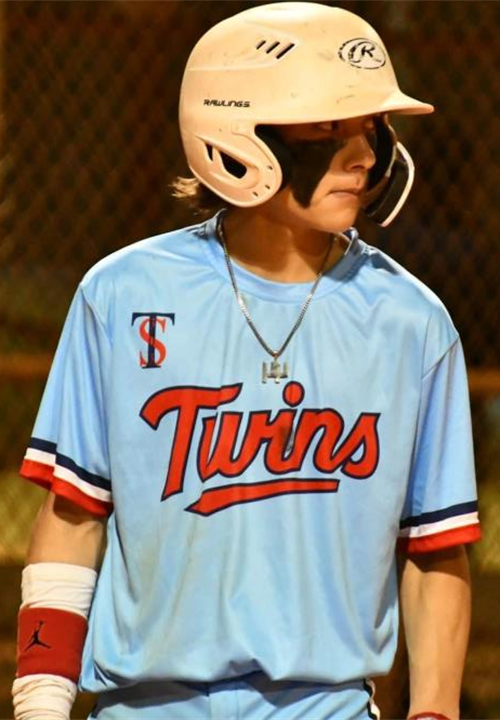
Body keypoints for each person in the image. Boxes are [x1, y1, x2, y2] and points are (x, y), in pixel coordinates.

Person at [13, 3, 480, 719]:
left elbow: (435, 545)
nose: (364, 155)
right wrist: (41, 702)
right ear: (233, 131)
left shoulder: (411, 322)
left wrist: (436, 713)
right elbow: (73, 513)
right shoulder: (123, 293)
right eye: (328, 128)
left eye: (372, 128)